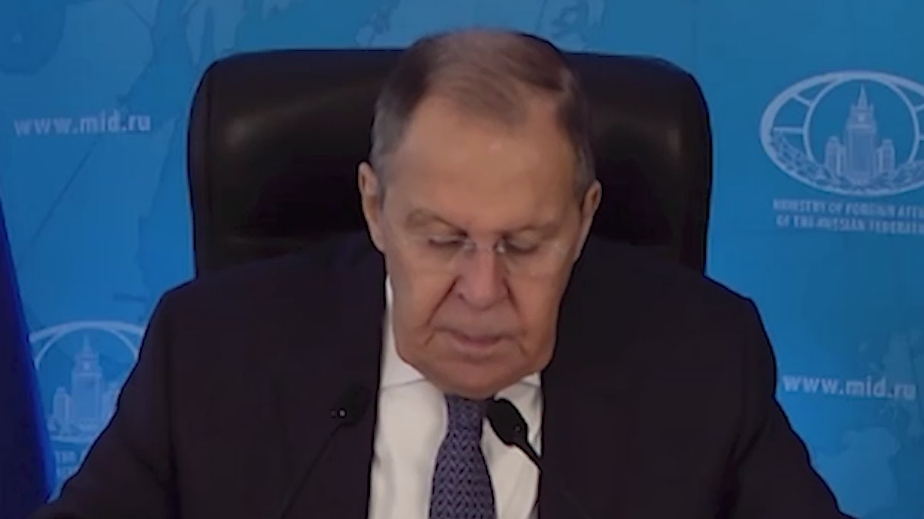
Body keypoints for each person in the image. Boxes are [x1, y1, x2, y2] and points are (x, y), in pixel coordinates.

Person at [33, 29, 854, 519]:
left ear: (584, 219)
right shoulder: (209, 354)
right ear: (375, 209)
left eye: (524, 244)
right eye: (442, 238)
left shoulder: (703, 362)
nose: (482, 291)